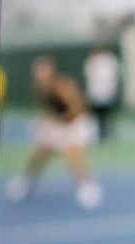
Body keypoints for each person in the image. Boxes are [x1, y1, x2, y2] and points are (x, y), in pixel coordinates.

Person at [6, 56, 102, 209]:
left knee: (72, 155)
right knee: (39, 154)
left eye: (43, 71)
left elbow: (77, 108)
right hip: (59, 123)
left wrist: (57, 122)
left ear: (51, 71)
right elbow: (48, 108)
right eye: (38, 71)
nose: (40, 74)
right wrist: (45, 121)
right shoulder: (39, 88)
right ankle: (26, 183)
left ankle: (88, 189)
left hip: (76, 122)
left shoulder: (63, 85)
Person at [84, 45, 120, 143]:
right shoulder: (91, 62)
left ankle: (109, 135)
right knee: (95, 116)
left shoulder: (110, 61)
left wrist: (110, 90)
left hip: (107, 94)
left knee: (107, 116)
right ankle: (97, 136)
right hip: (95, 94)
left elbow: (113, 78)